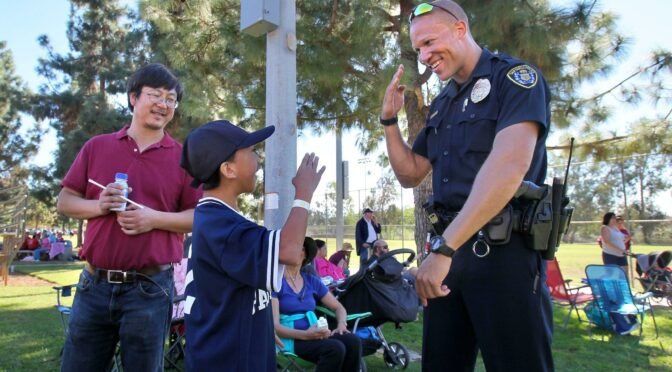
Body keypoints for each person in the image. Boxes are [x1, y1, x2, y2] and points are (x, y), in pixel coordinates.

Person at [379, 1, 553, 370]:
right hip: (450, 259)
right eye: (418, 49)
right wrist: (389, 120)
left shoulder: (515, 79)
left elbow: (509, 166)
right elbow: (410, 174)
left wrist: (443, 250)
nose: (424, 56)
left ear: (460, 29)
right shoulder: (444, 102)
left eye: (429, 42)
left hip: (503, 253)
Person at [57, 63, 201, 371]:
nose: (163, 104)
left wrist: (153, 219)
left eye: (171, 99)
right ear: (134, 98)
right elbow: (65, 201)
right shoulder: (97, 147)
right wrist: (99, 206)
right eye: (155, 95)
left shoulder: (183, 159)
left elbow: (199, 217)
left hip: (150, 289)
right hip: (92, 286)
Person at [180, 119, 326, 370]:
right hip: (227, 361)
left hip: (230, 351)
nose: (258, 159)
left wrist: (263, 327)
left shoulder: (217, 218)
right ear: (228, 169)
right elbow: (290, 251)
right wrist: (303, 195)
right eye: (250, 151)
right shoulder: (222, 225)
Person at [272, 237, 362, 372]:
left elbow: (338, 307)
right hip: (291, 339)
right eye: (294, 248)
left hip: (315, 333)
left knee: (353, 341)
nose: (298, 252)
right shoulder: (276, 283)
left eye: (302, 249)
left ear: (306, 256)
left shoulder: (311, 281)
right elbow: (275, 326)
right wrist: (306, 335)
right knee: (335, 349)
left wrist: (341, 324)